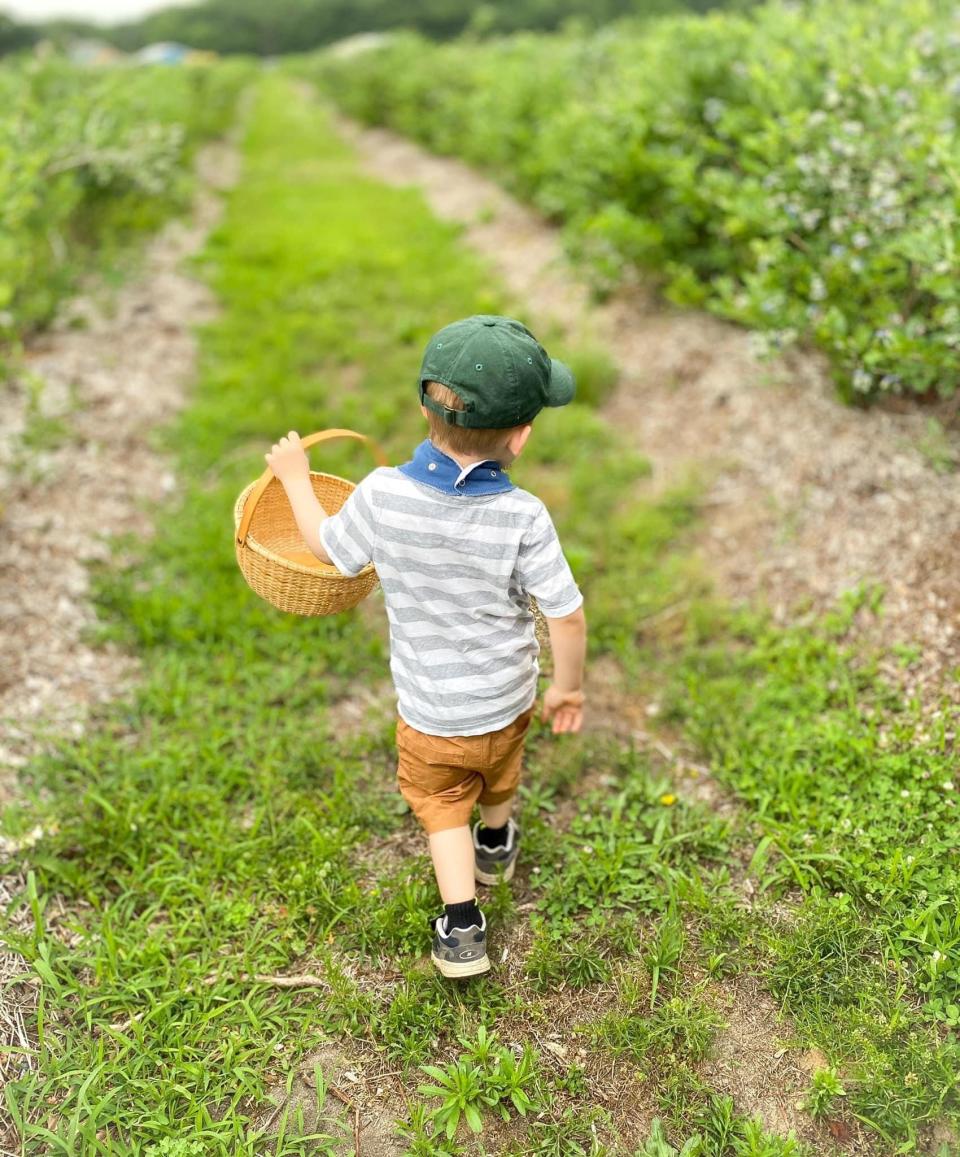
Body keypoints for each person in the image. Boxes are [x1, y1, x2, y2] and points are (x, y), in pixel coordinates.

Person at [264, 315, 587, 979]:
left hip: (432, 715)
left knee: (443, 806)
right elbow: (567, 611)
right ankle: (496, 842)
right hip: (505, 699)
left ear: (423, 406)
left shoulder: (381, 495)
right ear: (521, 436)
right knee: (499, 768)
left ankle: (463, 922)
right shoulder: (524, 515)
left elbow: (329, 550)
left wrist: (296, 477)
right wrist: (567, 686)